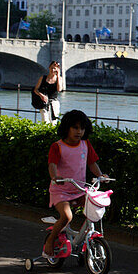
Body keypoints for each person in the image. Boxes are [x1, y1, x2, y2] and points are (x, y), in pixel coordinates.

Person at [43, 110, 104, 263]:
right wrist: (55, 177)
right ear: (67, 128)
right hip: (61, 191)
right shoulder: (57, 146)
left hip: (79, 189)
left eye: (82, 128)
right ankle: (50, 241)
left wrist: (101, 176)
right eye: (75, 128)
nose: (79, 132)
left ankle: (84, 241)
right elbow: (52, 165)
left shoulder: (85, 144)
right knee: (67, 216)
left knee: (95, 208)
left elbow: (92, 163)